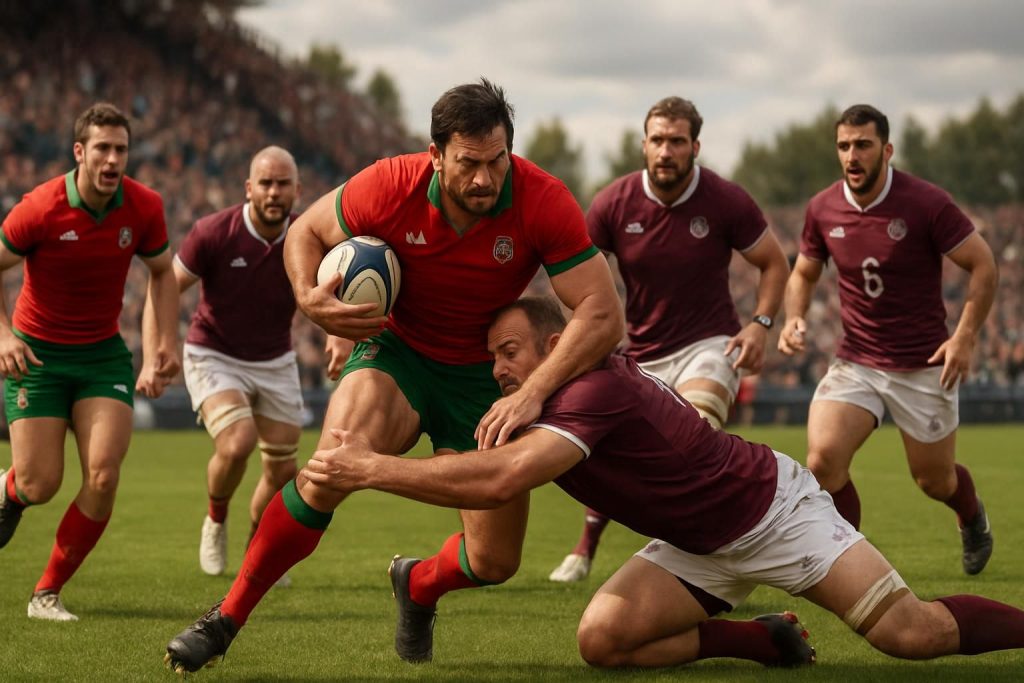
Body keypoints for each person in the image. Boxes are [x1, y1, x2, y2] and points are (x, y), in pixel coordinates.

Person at [164, 78, 624, 673]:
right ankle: (225, 617)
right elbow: (306, 232)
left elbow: (602, 313)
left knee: (494, 561)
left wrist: (533, 391)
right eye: (468, 164)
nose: (485, 179)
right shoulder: (389, 184)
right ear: (436, 155)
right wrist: (309, 298)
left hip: (483, 379)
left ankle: (418, 584)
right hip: (396, 353)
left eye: (497, 161)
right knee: (331, 465)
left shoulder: (542, 198)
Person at [306, 296, 1024, 669]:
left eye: (509, 351)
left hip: (773, 513)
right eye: (493, 355)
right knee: (603, 641)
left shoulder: (590, 390)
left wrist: (370, 467)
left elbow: (503, 478)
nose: (497, 369)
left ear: (555, 345)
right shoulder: (550, 392)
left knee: (912, 634)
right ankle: (761, 641)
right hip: (696, 543)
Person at [549, 96, 790, 583]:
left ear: (695, 147)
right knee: (618, 450)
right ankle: (587, 545)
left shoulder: (725, 199)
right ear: (643, 144)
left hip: (710, 345)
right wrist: (583, 338)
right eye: (657, 140)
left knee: (689, 441)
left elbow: (774, 262)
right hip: (639, 355)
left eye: (677, 141)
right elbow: (573, 276)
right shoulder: (613, 203)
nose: (665, 151)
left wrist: (760, 325)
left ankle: (680, 563)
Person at [777, 104, 998, 575]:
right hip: (857, 360)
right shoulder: (822, 208)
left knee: (934, 480)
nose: (851, 155)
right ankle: (850, 567)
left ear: (887, 149)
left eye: (863, 145)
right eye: (843, 146)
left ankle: (970, 513)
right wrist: (794, 317)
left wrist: (965, 337)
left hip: (923, 363)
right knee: (823, 461)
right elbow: (804, 273)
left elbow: (983, 264)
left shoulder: (926, 202)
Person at [0, 102, 179, 621]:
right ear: (80, 152)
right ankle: (9, 488)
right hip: (36, 357)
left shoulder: (144, 206)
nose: (112, 159)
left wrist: (162, 345)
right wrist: (4, 335)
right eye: (102, 148)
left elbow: (162, 272)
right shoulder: (40, 207)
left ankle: (46, 593)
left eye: (121, 149)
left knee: (103, 477)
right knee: (39, 484)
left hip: (103, 357)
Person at [163, 146, 310, 583]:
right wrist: (159, 347)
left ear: (297, 190)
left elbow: (331, 292)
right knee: (237, 442)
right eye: (265, 183)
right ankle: (215, 519)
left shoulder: (307, 236)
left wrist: (339, 340)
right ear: (249, 188)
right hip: (214, 352)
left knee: (283, 470)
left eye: (282, 184)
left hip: (275, 357)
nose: (273, 192)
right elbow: (166, 286)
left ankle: (257, 550)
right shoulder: (213, 232)